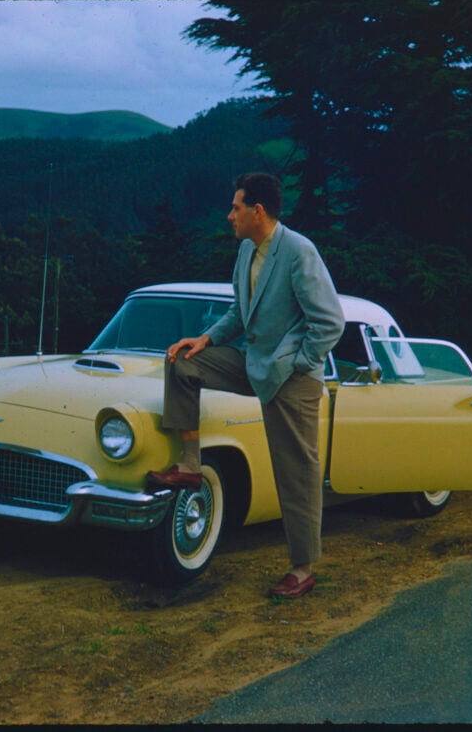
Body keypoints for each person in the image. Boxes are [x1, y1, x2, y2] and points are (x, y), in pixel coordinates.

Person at [147, 172, 344, 599]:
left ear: (258, 211)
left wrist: (301, 363)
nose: (229, 215)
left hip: (291, 377)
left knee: (296, 472)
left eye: (235, 207)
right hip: (252, 363)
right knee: (183, 362)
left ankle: (302, 567)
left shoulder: (298, 251)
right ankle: (190, 465)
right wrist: (205, 339)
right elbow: (240, 312)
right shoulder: (245, 251)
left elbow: (330, 321)